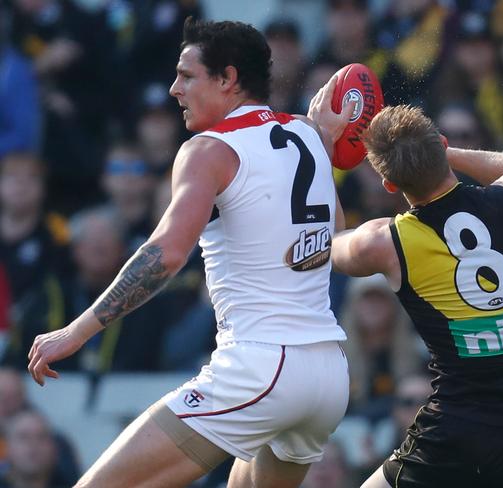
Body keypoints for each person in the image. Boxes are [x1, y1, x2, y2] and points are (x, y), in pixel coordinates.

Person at [26, 18, 352, 488]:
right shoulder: (307, 134)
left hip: (261, 366)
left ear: (228, 79)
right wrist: (324, 146)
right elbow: (333, 235)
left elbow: (167, 254)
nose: (174, 88)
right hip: (327, 375)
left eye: (187, 75)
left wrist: (76, 332)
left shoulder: (208, 149)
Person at [308, 101, 503, 487]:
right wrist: (441, 152)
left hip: (456, 434)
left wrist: (322, 147)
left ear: (390, 184)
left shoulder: (385, 242)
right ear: (443, 146)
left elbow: (330, 241)